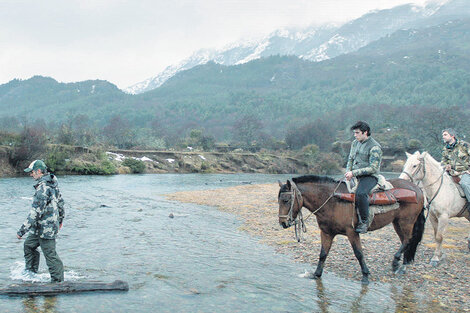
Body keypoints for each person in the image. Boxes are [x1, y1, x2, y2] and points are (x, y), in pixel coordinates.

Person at [16, 160, 65, 283]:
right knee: (29, 246)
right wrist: (61, 219)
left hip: (46, 229)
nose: (31, 175)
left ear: (38, 171)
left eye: (32, 172)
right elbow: (61, 204)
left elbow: (35, 212)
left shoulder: (43, 187)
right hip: (39, 227)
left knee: (50, 254)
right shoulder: (52, 183)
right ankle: (30, 274)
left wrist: (22, 231)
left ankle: (58, 282)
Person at [345, 121, 383, 233]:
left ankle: (364, 222)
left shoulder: (375, 147)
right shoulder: (354, 143)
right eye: (354, 133)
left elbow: (373, 168)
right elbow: (350, 159)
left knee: (361, 193)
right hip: (354, 175)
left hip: (369, 177)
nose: (355, 135)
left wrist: (354, 173)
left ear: (365, 132)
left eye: (357, 133)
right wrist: (348, 172)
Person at [441, 128, 470, 206]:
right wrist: (446, 165)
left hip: (465, 172)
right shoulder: (445, 149)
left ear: (452, 135)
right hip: (452, 173)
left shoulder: (464, 145)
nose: (443, 137)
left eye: (445, 135)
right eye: (443, 135)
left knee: (464, 184)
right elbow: (443, 161)